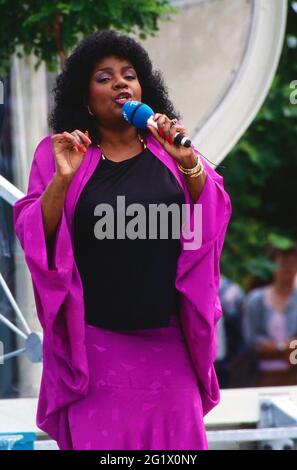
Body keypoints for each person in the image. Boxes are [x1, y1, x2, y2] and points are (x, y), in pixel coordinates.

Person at [13, 30, 231, 450]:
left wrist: (191, 168)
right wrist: (63, 177)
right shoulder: (59, 152)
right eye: (104, 77)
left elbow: (212, 221)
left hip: (169, 351)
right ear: (85, 95)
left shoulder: (171, 149)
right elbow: (37, 234)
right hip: (95, 351)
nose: (120, 83)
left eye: (129, 75)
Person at [242, 243, 297, 387]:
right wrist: (283, 347)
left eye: (292, 264)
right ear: (272, 265)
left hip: (292, 377)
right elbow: (250, 342)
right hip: (259, 378)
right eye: (283, 263)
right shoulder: (256, 300)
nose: (287, 269)